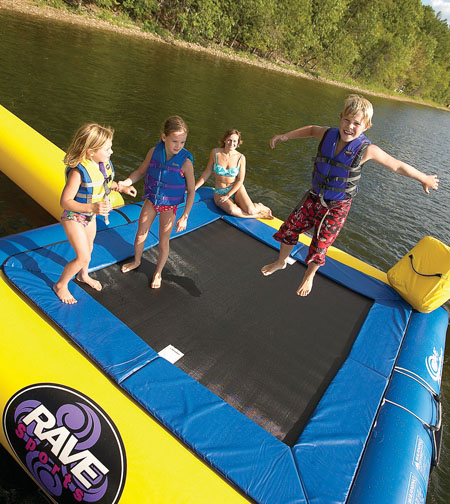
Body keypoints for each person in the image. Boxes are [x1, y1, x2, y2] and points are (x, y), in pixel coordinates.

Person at [261, 94, 439, 297]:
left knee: (320, 245)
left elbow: (397, 165)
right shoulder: (328, 134)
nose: (349, 126)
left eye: (357, 123)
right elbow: (310, 129)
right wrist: (285, 136)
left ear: (366, 126)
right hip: (314, 197)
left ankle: (309, 276)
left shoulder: (367, 150)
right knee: (290, 228)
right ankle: (281, 261)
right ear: (340, 118)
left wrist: (423, 177)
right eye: (346, 120)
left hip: (337, 207)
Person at [53, 123, 137, 304]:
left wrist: (121, 187)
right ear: (91, 152)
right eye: (107, 149)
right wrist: (92, 208)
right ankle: (60, 285)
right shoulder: (78, 172)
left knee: (89, 248)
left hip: (90, 216)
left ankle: (83, 275)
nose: (111, 152)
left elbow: (104, 184)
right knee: (82, 256)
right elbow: (65, 201)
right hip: (74, 216)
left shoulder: (102, 165)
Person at [120, 116, 195, 288]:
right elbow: (140, 172)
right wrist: (125, 182)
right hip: (152, 200)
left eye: (182, 142)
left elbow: (191, 191)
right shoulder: (154, 151)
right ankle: (137, 261)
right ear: (164, 137)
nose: (178, 146)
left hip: (169, 206)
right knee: (141, 234)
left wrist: (184, 216)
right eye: (174, 141)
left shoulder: (185, 163)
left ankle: (158, 272)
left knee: (163, 241)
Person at [195, 129, 273, 219]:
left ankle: (260, 206)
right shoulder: (215, 153)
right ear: (224, 140)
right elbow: (207, 172)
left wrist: (228, 195)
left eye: (235, 141)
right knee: (232, 210)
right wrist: (194, 188)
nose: (232, 143)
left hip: (236, 189)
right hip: (220, 191)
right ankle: (258, 215)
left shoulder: (241, 158)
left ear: (238, 142)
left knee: (250, 210)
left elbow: (240, 180)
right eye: (229, 140)